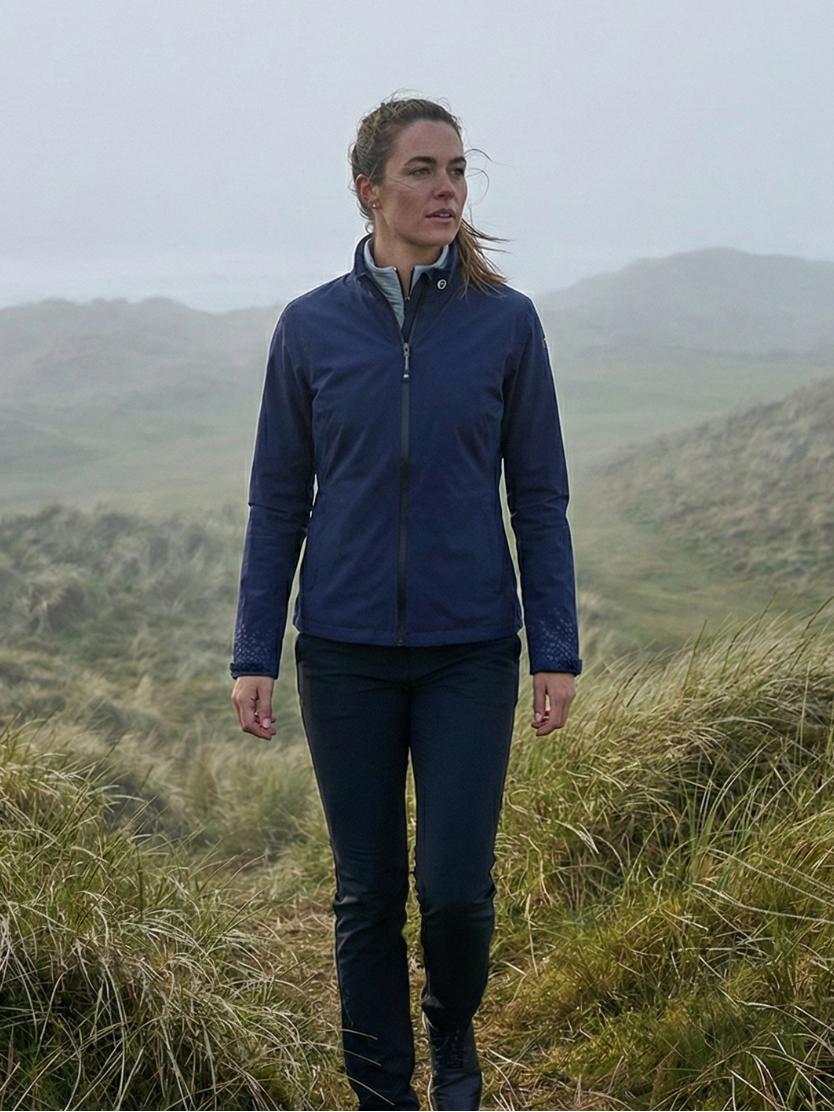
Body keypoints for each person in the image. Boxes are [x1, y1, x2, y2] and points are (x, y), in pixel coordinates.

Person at [230, 96, 581, 1112]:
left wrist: (553, 644)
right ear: (369, 189)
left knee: (457, 890)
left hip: (472, 647)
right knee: (367, 889)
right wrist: (256, 646)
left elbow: (541, 494)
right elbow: (277, 498)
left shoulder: (506, 324)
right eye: (424, 170)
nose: (448, 189)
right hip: (341, 651)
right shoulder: (311, 326)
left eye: (458, 170)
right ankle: (382, 1086)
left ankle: (453, 1029)